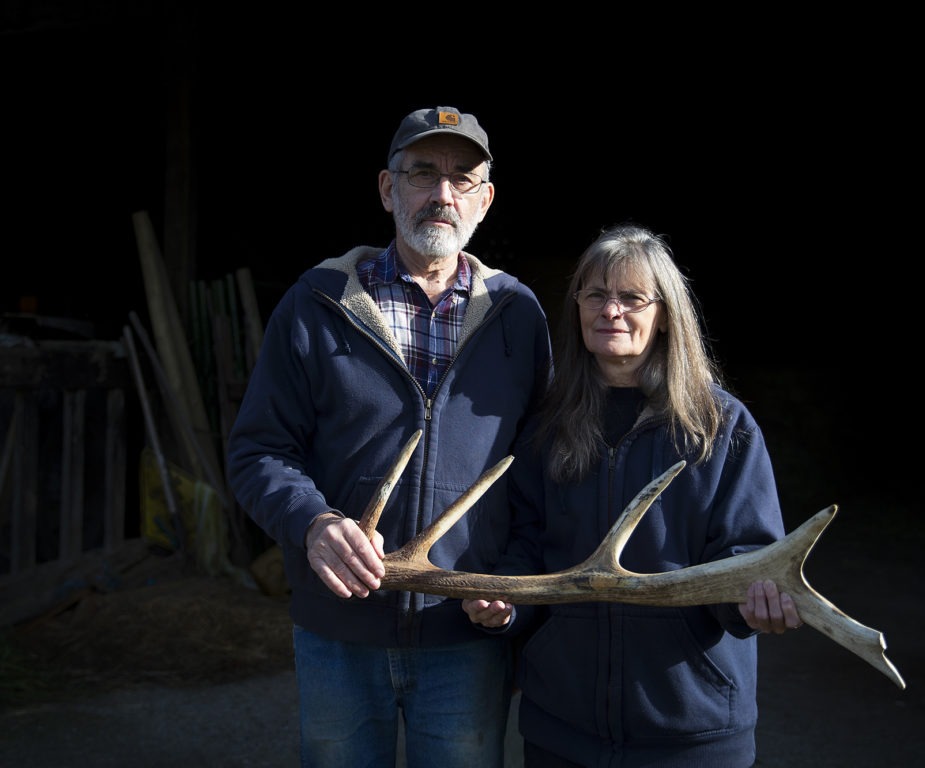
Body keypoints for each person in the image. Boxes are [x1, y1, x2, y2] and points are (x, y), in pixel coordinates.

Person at [227, 105, 552, 768]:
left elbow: (544, 476)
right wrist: (314, 523)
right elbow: (258, 451)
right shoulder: (317, 304)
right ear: (386, 188)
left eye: (463, 179)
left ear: (485, 201)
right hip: (339, 634)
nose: (441, 194)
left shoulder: (519, 317)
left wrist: (513, 582)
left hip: (465, 638)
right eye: (422, 173)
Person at [463, 224, 803, 767]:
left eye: (631, 297)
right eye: (595, 295)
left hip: (690, 729)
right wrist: (505, 608)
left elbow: (749, 555)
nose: (610, 311)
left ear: (665, 313)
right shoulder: (546, 426)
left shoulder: (721, 426)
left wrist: (752, 602)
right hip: (564, 725)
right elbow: (526, 546)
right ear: (577, 308)